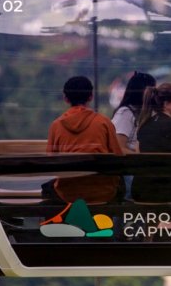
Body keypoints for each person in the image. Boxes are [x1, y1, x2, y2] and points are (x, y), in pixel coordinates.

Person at [45, 75, 123, 203]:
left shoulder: (56, 125)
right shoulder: (103, 123)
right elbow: (118, 158)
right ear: (91, 97)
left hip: (68, 193)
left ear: (65, 98)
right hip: (103, 192)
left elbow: (50, 161)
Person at [111, 71, 156, 200]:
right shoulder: (126, 113)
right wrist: (143, 158)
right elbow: (119, 147)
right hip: (128, 170)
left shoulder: (144, 113)